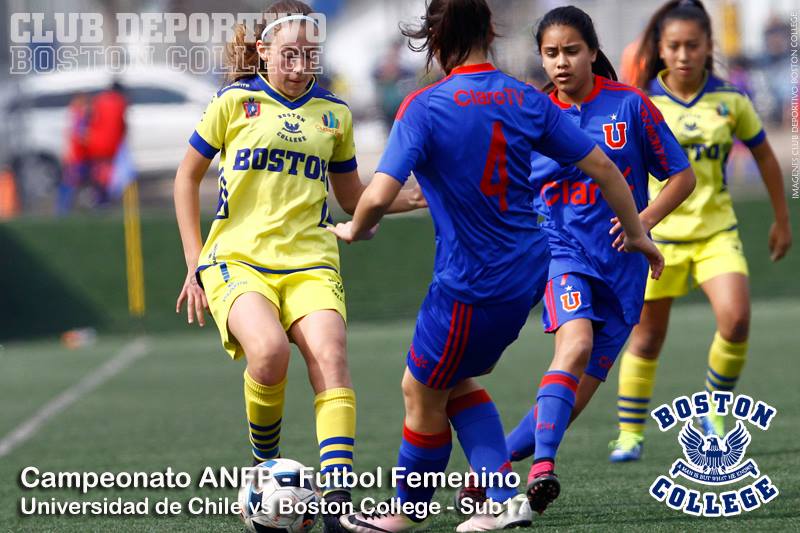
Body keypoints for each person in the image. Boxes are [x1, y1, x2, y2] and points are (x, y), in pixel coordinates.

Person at [327, 1, 663, 531]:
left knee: (420, 389)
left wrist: (356, 226)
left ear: (434, 39)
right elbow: (603, 166)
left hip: (468, 285)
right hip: (527, 278)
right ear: (489, 30)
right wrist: (638, 232)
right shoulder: (527, 99)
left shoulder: (424, 106)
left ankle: (414, 512)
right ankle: (495, 496)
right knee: (451, 382)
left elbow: (376, 195)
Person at [173, 2, 425, 532]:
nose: (299, 65)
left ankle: (337, 505)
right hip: (237, 260)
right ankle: (265, 469)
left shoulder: (334, 114)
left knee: (331, 355)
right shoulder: (234, 102)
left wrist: (417, 195)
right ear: (263, 52)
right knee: (266, 354)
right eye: (289, 54)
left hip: (311, 260)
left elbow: (353, 196)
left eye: (310, 55)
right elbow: (185, 177)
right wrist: (195, 261)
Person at [454, 5, 695, 515]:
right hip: (559, 252)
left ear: (591, 51)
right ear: (540, 57)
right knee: (575, 342)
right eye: (550, 53)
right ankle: (543, 469)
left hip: (624, 271)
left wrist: (644, 222)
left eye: (570, 51)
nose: (560, 62)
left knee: (574, 396)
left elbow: (682, 176)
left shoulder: (631, 106)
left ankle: (493, 473)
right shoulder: (529, 113)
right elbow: (502, 187)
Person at [609, 0, 792, 462]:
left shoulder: (731, 100)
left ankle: (716, 410)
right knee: (646, 339)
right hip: (657, 240)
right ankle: (630, 433)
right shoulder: (641, 102)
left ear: (710, 45)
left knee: (736, 320)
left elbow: (767, 157)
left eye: (693, 44)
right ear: (660, 49)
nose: (684, 53)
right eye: (674, 45)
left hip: (716, 234)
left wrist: (782, 218)